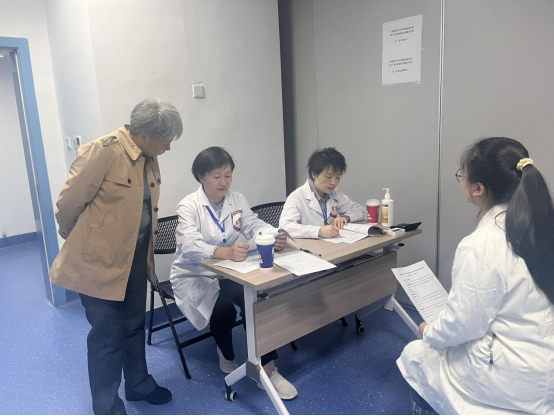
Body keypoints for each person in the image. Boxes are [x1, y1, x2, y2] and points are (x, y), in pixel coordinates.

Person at [397, 137, 554, 415]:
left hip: (513, 378)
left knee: (415, 354)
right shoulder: (539, 225)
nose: (462, 182)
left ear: (478, 188)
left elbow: (463, 324)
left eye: (463, 176)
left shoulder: (482, 245)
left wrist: (428, 331)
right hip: (542, 364)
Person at [49, 97, 183, 415]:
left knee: (134, 324)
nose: (169, 147)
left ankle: (138, 384)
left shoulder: (149, 156)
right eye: (166, 140)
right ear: (145, 136)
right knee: (107, 335)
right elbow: (68, 205)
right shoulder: (102, 151)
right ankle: (107, 406)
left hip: (135, 255)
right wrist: (85, 240)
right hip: (97, 262)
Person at [170, 146, 298, 400]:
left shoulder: (236, 200)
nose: (224, 182)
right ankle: (226, 354)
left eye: (228, 175)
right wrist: (223, 252)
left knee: (254, 302)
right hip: (195, 273)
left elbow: (252, 224)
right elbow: (189, 245)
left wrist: (272, 235)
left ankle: (269, 370)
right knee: (223, 310)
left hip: (229, 270)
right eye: (217, 176)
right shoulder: (189, 205)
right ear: (201, 177)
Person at [279, 147, 365, 238]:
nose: (334, 182)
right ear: (314, 174)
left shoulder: (335, 194)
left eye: (337, 177)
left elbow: (359, 210)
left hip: (331, 243)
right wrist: (318, 231)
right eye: (328, 177)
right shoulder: (296, 197)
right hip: (309, 245)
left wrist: (345, 218)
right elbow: (285, 227)